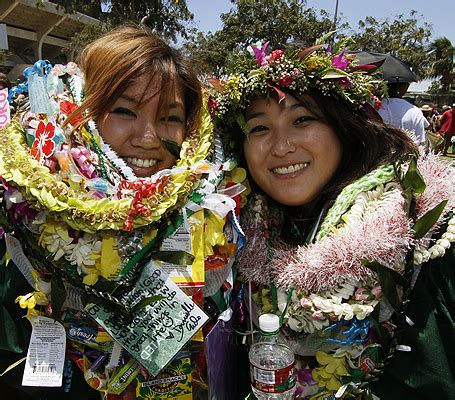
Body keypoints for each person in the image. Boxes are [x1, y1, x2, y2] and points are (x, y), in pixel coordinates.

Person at [0, 25, 246, 399]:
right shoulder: (23, 211)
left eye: (169, 118)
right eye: (124, 111)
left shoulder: (215, 204)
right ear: (83, 114)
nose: (147, 138)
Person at [209, 39, 455, 399]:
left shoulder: (422, 232)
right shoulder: (239, 238)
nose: (281, 147)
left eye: (302, 119)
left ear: (344, 128)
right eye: (259, 128)